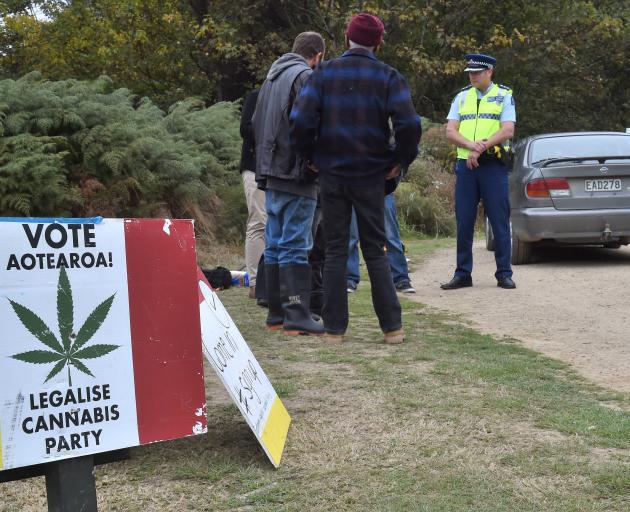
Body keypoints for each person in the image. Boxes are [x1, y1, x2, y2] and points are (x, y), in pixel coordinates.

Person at [290, 13, 421, 345]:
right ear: (378, 42)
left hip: (333, 174)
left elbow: (301, 121)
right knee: (375, 249)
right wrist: (398, 160)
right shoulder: (388, 76)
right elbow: (409, 125)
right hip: (371, 176)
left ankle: (335, 331)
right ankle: (392, 329)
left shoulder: (323, 74)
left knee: (335, 250)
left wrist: (311, 158)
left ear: (347, 39)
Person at [253, 32, 326, 336]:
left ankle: (276, 315)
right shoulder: (305, 77)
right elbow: (309, 123)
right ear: (318, 55)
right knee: (296, 244)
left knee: (275, 244)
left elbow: (255, 122)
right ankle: (297, 314)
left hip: (272, 174)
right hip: (296, 174)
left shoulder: (271, 79)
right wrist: (313, 161)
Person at [441, 53, 516, 290]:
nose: (472, 76)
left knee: (499, 220)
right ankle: (463, 273)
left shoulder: (504, 95)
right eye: (470, 73)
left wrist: (481, 146)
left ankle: (504, 273)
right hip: (466, 167)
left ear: (489, 72)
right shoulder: (462, 97)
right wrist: (470, 146)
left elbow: (507, 131)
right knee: (464, 221)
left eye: (477, 73)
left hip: (492, 165)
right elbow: (450, 131)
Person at [346, 193, 415, 294]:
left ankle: (400, 278)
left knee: (390, 235)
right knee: (351, 237)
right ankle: (349, 279)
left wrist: (395, 177)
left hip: (383, 188)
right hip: (352, 185)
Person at [239, 89, 266, 300]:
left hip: (278, 169)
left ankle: (271, 280)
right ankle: (256, 282)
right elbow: (245, 129)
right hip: (255, 167)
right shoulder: (257, 96)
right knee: (258, 221)